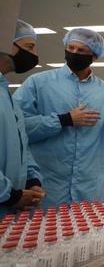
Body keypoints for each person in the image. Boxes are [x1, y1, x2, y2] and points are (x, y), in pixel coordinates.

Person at [13, 28, 104, 208]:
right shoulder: (38, 83)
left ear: (94, 56)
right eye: (70, 48)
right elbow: (17, 127)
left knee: (87, 232)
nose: (74, 53)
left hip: (89, 187)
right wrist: (64, 119)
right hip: (46, 184)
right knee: (42, 233)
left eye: (81, 51)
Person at [0, 20, 46, 216]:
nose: (34, 54)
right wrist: (10, 195)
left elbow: (21, 146)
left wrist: (31, 181)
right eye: (30, 47)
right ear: (6, 44)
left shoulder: (7, 95)